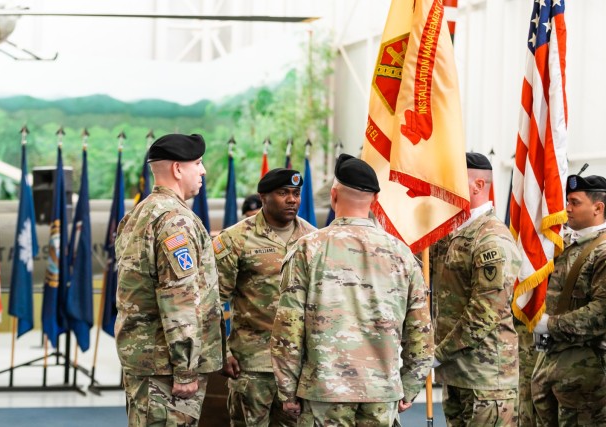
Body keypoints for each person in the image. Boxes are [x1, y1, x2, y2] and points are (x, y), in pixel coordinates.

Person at [271, 154, 434, 426]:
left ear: (333, 196)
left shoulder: (307, 249)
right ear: (375, 201)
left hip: (324, 392)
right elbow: (420, 329)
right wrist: (411, 385)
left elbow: (289, 327)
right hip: (382, 391)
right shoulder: (401, 254)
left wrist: (288, 391)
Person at [115, 133, 223, 426]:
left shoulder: (139, 213)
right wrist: (186, 368)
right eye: (197, 163)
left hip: (148, 361)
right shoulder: (175, 220)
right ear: (178, 169)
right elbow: (179, 299)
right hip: (166, 367)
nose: (202, 171)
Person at [214, 168, 316, 426]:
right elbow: (213, 300)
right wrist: (222, 351)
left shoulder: (313, 239)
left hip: (300, 367)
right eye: (283, 193)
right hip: (253, 365)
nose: (292, 199)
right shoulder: (236, 239)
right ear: (264, 197)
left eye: (296, 193)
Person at [431, 152, 521, 426]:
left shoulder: (491, 239)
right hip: (457, 373)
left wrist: (436, 354)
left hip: (486, 379)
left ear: (478, 186)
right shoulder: (452, 233)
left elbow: (483, 313)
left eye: (452, 182)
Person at [531, 174, 606, 425]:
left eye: (575, 202)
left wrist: (549, 325)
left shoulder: (602, 251)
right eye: (567, 201)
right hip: (552, 365)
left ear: (598, 208)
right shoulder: (561, 244)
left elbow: (601, 312)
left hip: (587, 374)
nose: (567, 209)